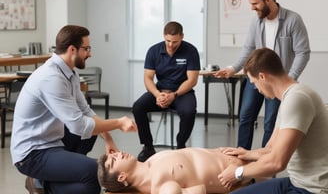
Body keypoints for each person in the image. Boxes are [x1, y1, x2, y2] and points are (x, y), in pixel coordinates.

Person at [10, 25, 138, 194]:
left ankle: (57, 175)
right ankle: (41, 184)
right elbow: (79, 126)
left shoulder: (70, 74)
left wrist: (107, 137)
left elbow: (85, 111)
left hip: (51, 141)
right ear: (72, 49)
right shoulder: (51, 78)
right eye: (87, 49)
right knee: (94, 173)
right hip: (32, 154)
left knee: (91, 134)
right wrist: (119, 122)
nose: (90, 53)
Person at [214, 0, 310, 150]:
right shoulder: (256, 21)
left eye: (255, 3)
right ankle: (240, 159)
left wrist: (290, 78)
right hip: (255, 77)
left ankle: (264, 163)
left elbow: (303, 52)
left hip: (276, 81)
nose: (252, 8)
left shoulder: (293, 20)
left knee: (270, 122)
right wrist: (233, 68)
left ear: (268, 0)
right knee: (245, 117)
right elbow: (248, 49)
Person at [218, 48, 328, 193]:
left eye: (254, 82)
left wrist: (239, 173)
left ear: (262, 76)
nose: (256, 89)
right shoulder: (289, 97)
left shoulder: (297, 99)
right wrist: (247, 154)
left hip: (313, 190)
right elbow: (271, 148)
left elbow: (277, 163)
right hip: (296, 182)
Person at [132, 21, 200, 162]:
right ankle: (148, 146)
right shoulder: (154, 51)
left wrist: (174, 95)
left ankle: (180, 145)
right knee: (138, 106)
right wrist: (157, 95)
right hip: (160, 91)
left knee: (189, 111)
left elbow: (192, 80)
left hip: (182, 93)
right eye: (168, 40)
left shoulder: (191, 51)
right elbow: (148, 77)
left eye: (175, 41)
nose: (170, 45)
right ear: (164, 36)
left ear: (182, 36)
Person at [97, 148, 254, 194]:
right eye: (113, 161)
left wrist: (216, 150)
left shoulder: (151, 160)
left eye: (114, 154)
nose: (117, 154)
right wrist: (236, 176)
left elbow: (190, 152)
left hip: (234, 155)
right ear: (121, 177)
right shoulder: (160, 186)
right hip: (238, 173)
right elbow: (201, 191)